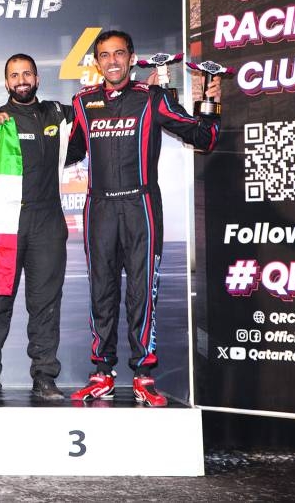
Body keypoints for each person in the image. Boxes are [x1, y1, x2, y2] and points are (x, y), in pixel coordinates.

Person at [66, 30, 221, 407]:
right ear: (97, 62)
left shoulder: (152, 99)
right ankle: (101, 373)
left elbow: (204, 138)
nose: (113, 61)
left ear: (132, 58)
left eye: (119, 53)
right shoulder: (83, 103)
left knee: (141, 294)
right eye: (105, 55)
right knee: (101, 294)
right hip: (99, 209)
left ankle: (143, 376)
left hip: (142, 207)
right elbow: (66, 152)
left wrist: (208, 104)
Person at [0, 54, 73, 402]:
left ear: (37, 79)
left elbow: (93, 123)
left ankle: (44, 377)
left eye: (27, 73)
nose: (21, 80)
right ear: (6, 83)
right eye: (14, 75)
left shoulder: (58, 114)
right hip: (6, 222)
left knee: (45, 304)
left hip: (47, 221)